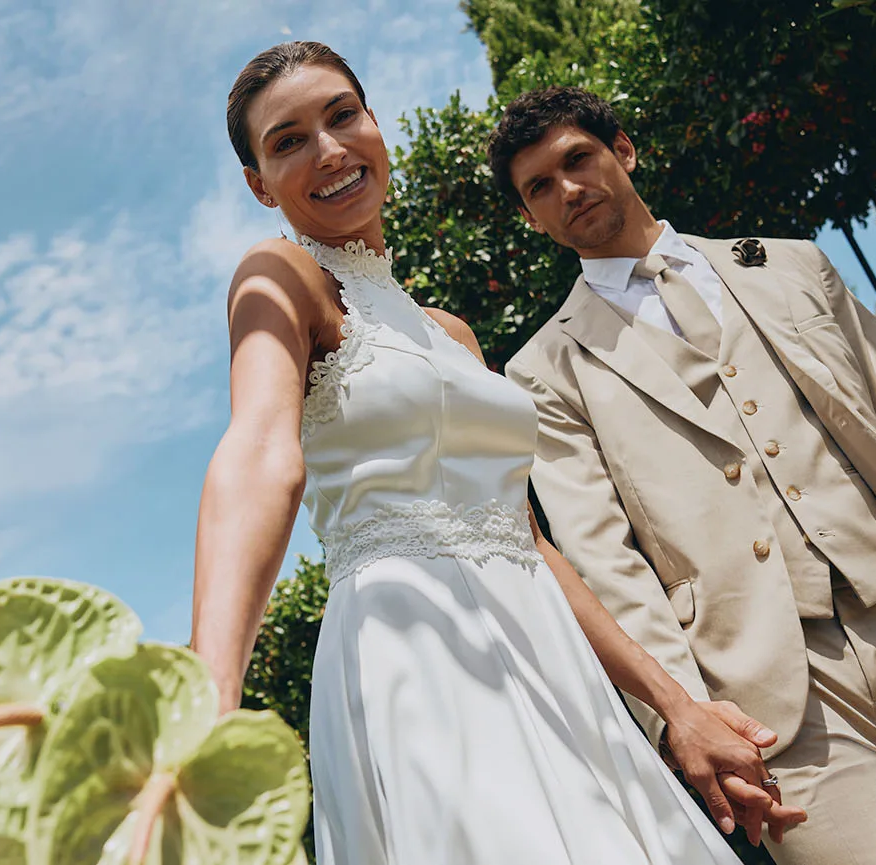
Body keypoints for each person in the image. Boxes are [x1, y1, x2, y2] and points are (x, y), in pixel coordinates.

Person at [189, 43, 801, 864]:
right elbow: (261, 449)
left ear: (376, 127)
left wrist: (675, 704)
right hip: (414, 645)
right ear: (260, 185)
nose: (329, 149)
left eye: (342, 115)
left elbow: (529, 541)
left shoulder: (452, 332)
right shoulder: (282, 274)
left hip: (550, 653)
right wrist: (204, 699)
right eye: (288, 140)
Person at [495, 85, 876, 865]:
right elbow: (606, 563)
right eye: (538, 188)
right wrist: (682, 713)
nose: (567, 190)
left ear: (623, 150)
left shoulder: (792, 265)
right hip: (761, 702)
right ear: (530, 217)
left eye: (576, 160)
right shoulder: (545, 370)